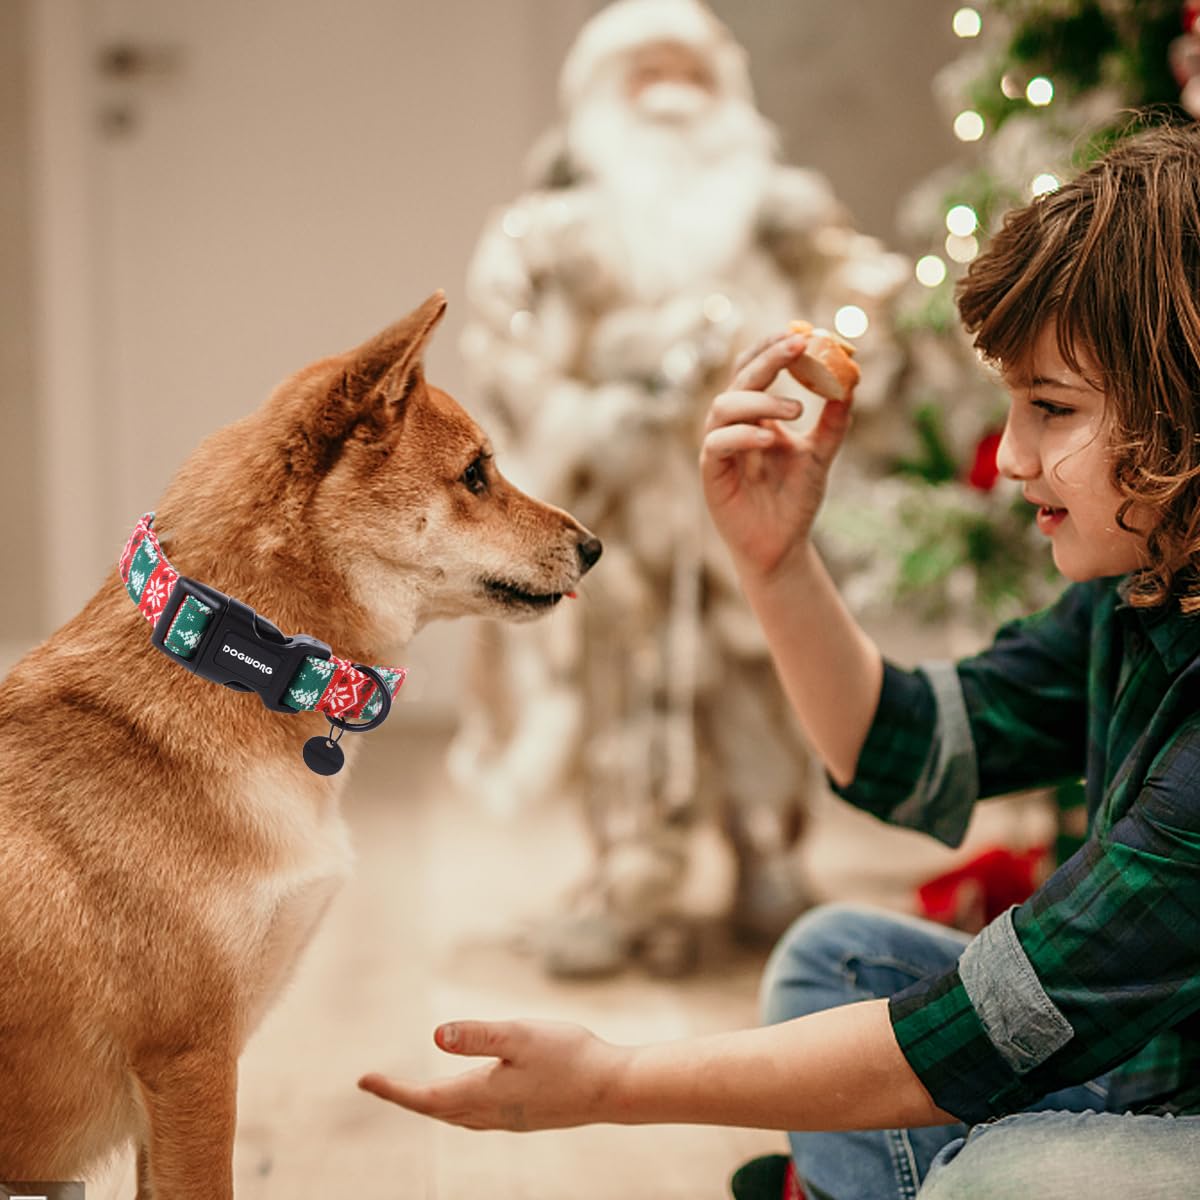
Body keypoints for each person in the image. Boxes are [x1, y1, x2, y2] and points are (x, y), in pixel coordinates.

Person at [359, 120, 1200, 1197]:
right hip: (1152, 1074)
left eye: (1052, 408)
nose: (1011, 457)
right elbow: (907, 751)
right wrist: (774, 560)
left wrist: (612, 1082)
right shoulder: (1146, 586)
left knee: (1008, 1180)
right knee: (833, 960)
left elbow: (979, 1036)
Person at [448, 0, 907, 977]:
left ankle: (768, 845)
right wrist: (586, 413)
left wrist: (819, 354)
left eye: (691, 74)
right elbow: (506, 350)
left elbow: (860, 309)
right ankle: (633, 869)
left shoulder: (782, 213)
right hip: (620, 499)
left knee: (762, 667)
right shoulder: (552, 230)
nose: (672, 98)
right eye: (645, 75)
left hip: (752, 481)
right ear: (600, 96)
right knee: (625, 679)